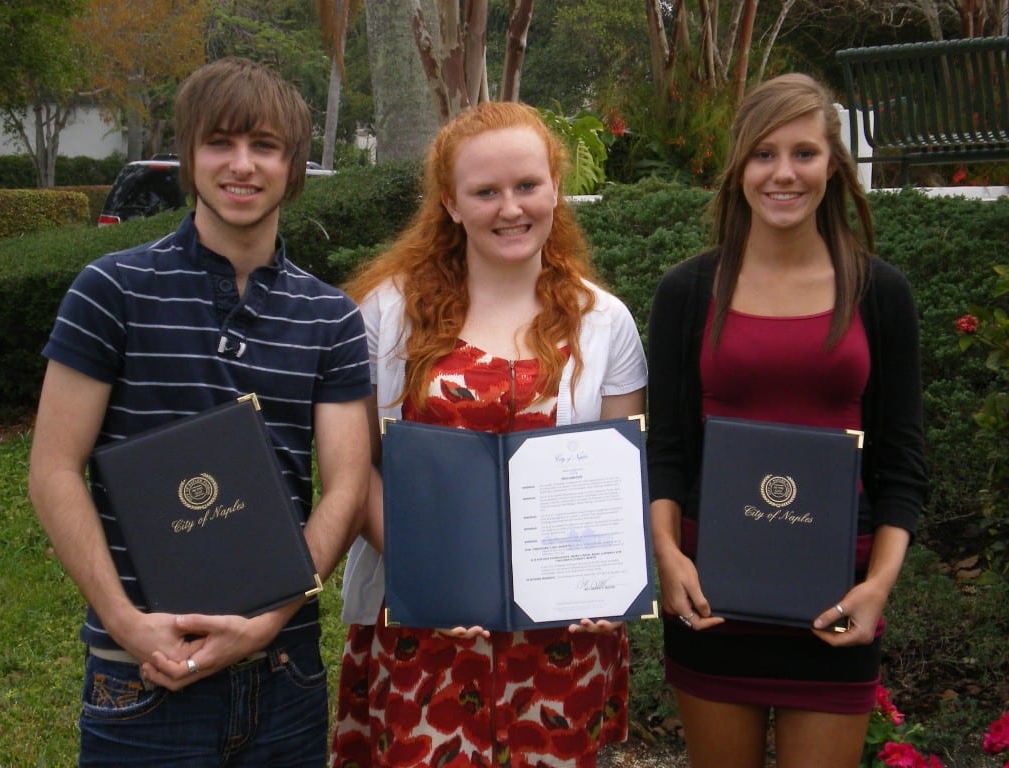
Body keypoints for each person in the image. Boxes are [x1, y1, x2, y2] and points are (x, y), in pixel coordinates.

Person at [27, 57, 372, 767]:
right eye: (220, 142)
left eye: (265, 146)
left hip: (284, 675)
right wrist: (127, 625)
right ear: (188, 154)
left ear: (294, 164)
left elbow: (344, 486)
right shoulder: (110, 292)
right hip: (140, 675)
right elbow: (54, 470)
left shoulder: (331, 318)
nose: (241, 166)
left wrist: (266, 624)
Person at [329, 101, 648, 768]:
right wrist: (440, 580)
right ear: (450, 201)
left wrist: (602, 586)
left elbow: (615, 481)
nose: (511, 208)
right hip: (424, 627)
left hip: (563, 641)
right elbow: (355, 475)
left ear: (555, 187)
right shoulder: (386, 315)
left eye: (527, 185)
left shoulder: (605, 323)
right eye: (486, 191)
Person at [646, 73, 929, 768]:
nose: (783, 173)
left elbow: (902, 464)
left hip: (835, 606)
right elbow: (668, 452)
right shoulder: (688, 292)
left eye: (804, 153)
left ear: (834, 166)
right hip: (711, 598)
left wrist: (876, 589)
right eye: (763, 153)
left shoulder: (879, 294)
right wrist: (668, 557)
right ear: (739, 166)